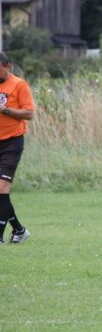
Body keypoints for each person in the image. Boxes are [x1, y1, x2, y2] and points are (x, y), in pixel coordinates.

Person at [0, 52, 35, 245]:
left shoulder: (19, 85)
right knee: (1, 194)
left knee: (1, 189)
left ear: (8, 66)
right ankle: (19, 230)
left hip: (12, 142)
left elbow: (29, 114)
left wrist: (5, 110)